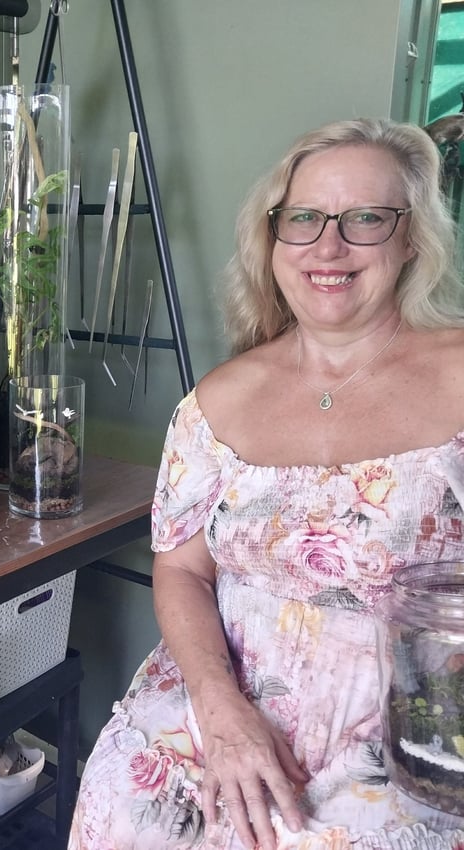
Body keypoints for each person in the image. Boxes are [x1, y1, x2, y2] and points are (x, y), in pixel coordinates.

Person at [68, 117, 464, 850]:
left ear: (411, 238)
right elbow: (182, 568)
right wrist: (218, 710)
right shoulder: (217, 400)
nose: (329, 246)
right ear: (273, 237)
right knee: (124, 801)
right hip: (214, 707)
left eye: (366, 219)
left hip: (405, 734)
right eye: (304, 219)